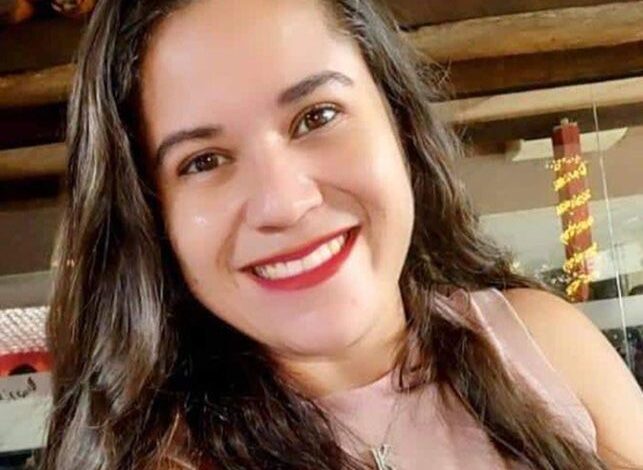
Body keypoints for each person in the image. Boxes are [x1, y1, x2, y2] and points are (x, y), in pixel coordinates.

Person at [42, 0, 643, 468]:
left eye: (317, 116)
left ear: (397, 120)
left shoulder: (542, 344)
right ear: (151, 215)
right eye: (203, 161)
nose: (284, 203)